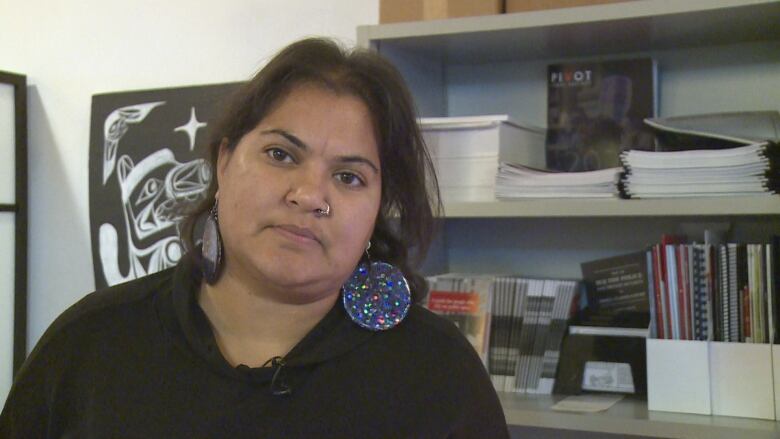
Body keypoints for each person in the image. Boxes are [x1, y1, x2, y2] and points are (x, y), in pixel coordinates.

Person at [0, 37, 509, 438]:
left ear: (377, 211)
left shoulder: (438, 372)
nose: (310, 195)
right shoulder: (90, 345)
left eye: (349, 177)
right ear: (223, 162)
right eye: (281, 155)